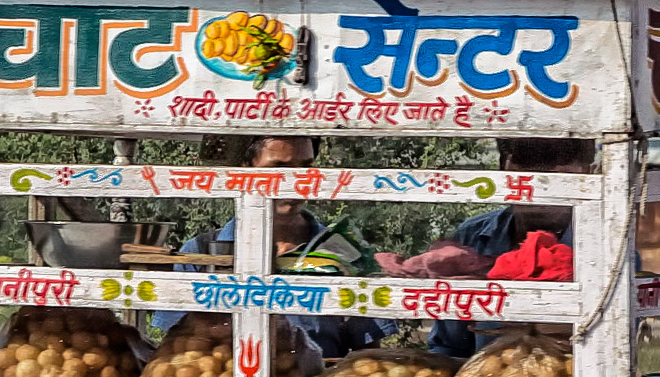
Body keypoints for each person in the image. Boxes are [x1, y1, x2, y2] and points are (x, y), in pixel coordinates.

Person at [154, 136, 387, 359]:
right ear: (246, 171)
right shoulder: (201, 254)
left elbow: (367, 359)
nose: (295, 183)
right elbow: (175, 353)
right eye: (278, 169)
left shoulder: (344, 253)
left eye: (305, 168)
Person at [427, 137, 590, 358]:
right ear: (504, 168)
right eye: (526, 171)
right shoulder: (472, 238)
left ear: (584, 174)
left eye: (554, 178)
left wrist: (537, 330)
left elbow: (611, 341)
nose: (537, 191)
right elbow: (449, 346)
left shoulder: (602, 245)